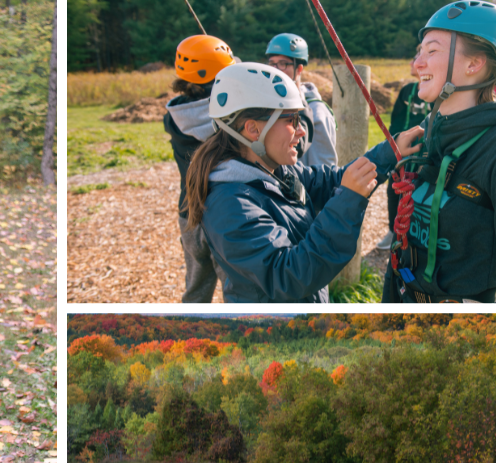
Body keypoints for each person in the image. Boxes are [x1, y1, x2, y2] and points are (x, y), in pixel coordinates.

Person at [185, 62, 396, 303]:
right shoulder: (230, 205)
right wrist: (348, 199)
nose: (301, 131)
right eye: (291, 120)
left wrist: (390, 152)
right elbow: (289, 276)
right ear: (253, 129)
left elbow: (334, 181)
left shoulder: (277, 170)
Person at [382, 1, 496, 303]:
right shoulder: (427, 130)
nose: (418, 63)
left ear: (474, 64)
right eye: (420, 52)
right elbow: (401, 244)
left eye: (431, 51)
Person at [165, 35, 238, 303]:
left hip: (189, 213)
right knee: (235, 289)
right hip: (222, 215)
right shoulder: (228, 120)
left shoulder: (174, 116)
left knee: (195, 288)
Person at [379, 56, 431, 250]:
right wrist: (394, 147)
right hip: (402, 151)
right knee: (394, 188)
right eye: (413, 59)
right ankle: (393, 231)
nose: (413, 63)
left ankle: (416, 233)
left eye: (418, 58)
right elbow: (395, 121)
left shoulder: (437, 93)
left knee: (419, 189)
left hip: (424, 153)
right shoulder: (406, 91)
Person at [266, 33, 338, 167]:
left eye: (282, 64)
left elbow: (324, 167)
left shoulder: (318, 112)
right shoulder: (271, 104)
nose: (275, 70)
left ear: (299, 69)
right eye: (272, 64)